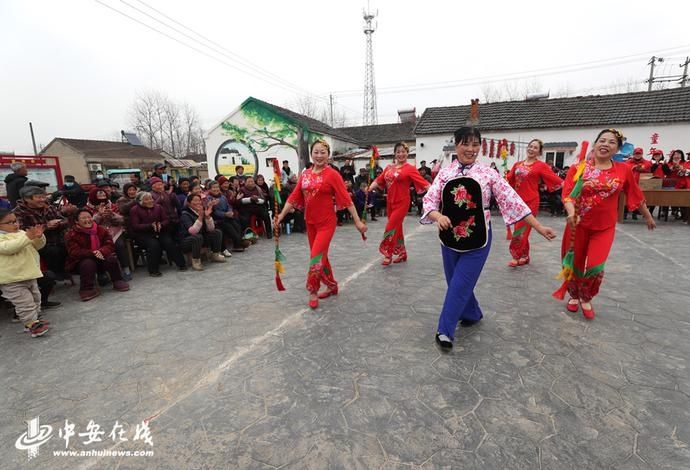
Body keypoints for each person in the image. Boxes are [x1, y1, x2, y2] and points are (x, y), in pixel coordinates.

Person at [422, 127, 556, 350]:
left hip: (479, 237)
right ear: (456, 145)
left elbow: (512, 200)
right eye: (466, 144)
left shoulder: (488, 174)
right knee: (454, 280)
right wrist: (437, 216)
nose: (471, 149)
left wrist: (539, 227)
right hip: (449, 236)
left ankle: (445, 330)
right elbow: (430, 200)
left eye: (475, 145)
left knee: (460, 283)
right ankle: (472, 313)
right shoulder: (444, 174)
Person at [556, 129, 655, 320]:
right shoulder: (579, 168)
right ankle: (575, 295)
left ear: (617, 148)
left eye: (611, 142)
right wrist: (570, 213)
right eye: (602, 140)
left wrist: (648, 216)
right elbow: (568, 195)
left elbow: (635, 195)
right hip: (578, 225)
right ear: (595, 144)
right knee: (574, 263)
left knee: (595, 266)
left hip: (604, 227)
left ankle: (586, 297)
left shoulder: (623, 169)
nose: (605, 144)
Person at [275, 139, 367, 309]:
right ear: (311, 154)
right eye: (316, 152)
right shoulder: (305, 174)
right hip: (310, 223)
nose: (319, 155)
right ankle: (332, 285)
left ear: (328, 155)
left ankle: (312, 290)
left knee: (315, 257)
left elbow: (346, 200)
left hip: (326, 223)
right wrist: (280, 216)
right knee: (322, 257)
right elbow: (294, 197)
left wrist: (357, 221)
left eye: (322, 152)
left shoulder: (333, 174)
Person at [368, 142, 430, 265]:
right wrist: (369, 189)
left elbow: (424, 183)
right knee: (397, 228)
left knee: (390, 227)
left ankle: (388, 253)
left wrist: (436, 192)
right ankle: (402, 253)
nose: (401, 154)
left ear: (407, 153)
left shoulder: (410, 169)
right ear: (395, 154)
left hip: (402, 202)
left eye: (403, 151)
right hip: (390, 202)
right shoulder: (388, 168)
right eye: (398, 152)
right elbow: (379, 180)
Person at [506, 139, 563, 267]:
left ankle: (516, 256)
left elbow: (553, 178)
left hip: (531, 201)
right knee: (520, 229)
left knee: (521, 230)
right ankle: (525, 256)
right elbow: (509, 179)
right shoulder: (517, 164)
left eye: (535, 148)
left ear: (539, 152)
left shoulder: (541, 165)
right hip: (518, 202)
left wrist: (568, 185)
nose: (532, 149)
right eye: (530, 146)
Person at [0, 208, 49, 337]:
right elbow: (10, 248)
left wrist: (39, 237)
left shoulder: (22, 233)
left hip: (29, 274)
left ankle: (35, 319)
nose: (15, 224)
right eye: (9, 222)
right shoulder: (2, 238)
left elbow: (37, 246)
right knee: (24, 303)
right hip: (11, 279)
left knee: (36, 298)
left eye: (15, 221)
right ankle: (32, 324)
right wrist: (28, 237)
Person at [65, 209, 130, 301]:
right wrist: (93, 253)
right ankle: (86, 289)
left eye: (89, 217)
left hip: (101, 256)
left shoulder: (101, 229)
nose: (87, 220)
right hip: (80, 261)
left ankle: (117, 280)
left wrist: (101, 251)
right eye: (83, 218)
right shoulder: (71, 234)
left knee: (111, 258)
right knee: (88, 263)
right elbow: (74, 252)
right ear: (76, 221)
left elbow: (109, 245)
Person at [14, 186, 69, 280]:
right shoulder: (18, 212)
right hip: (37, 244)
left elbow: (65, 220)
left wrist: (58, 223)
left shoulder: (49, 207)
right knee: (53, 251)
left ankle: (68, 270)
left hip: (58, 239)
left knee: (71, 246)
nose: (42, 200)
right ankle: (54, 274)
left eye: (44, 197)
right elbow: (21, 230)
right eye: (39, 197)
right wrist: (46, 226)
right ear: (27, 199)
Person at [128, 191, 187, 276]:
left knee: (169, 242)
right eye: (147, 199)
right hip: (143, 234)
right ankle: (153, 270)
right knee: (153, 245)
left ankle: (181, 264)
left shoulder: (158, 207)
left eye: (151, 198)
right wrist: (150, 226)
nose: (150, 201)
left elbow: (166, 219)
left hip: (159, 231)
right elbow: (135, 225)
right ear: (140, 201)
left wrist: (161, 224)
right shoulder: (134, 210)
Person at [86, 187, 130, 280]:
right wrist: (99, 215)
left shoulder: (112, 206)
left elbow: (122, 220)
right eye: (99, 195)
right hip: (96, 233)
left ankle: (126, 269)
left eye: (103, 195)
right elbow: (88, 224)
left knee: (120, 245)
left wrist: (112, 215)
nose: (102, 197)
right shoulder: (87, 209)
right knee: (100, 247)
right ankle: (103, 273)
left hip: (114, 230)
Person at [179, 194, 226, 270]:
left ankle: (215, 254)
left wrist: (207, 217)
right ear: (189, 203)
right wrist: (200, 217)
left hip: (201, 238)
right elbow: (192, 232)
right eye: (195, 200)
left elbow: (211, 229)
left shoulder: (202, 210)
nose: (198, 202)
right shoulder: (185, 214)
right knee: (197, 237)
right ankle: (196, 261)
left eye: (199, 200)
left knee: (217, 232)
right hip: (187, 241)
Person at [206, 180, 247, 253]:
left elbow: (228, 205)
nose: (216, 189)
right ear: (209, 189)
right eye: (214, 188)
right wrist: (225, 214)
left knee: (237, 225)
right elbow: (214, 212)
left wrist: (230, 211)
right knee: (229, 228)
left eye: (217, 187)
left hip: (227, 216)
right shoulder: (209, 198)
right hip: (218, 220)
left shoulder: (222, 197)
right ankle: (239, 243)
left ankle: (238, 243)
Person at [624, 147, 652, 220]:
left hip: (641, 184)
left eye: (639, 154)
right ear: (633, 154)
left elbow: (647, 167)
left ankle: (635, 213)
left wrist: (641, 168)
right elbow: (625, 170)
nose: (637, 155)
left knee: (638, 199)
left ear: (642, 154)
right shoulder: (628, 162)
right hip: (629, 184)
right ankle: (625, 212)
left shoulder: (647, 162)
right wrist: (633, 168)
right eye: (636, 153)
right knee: (626, 198)